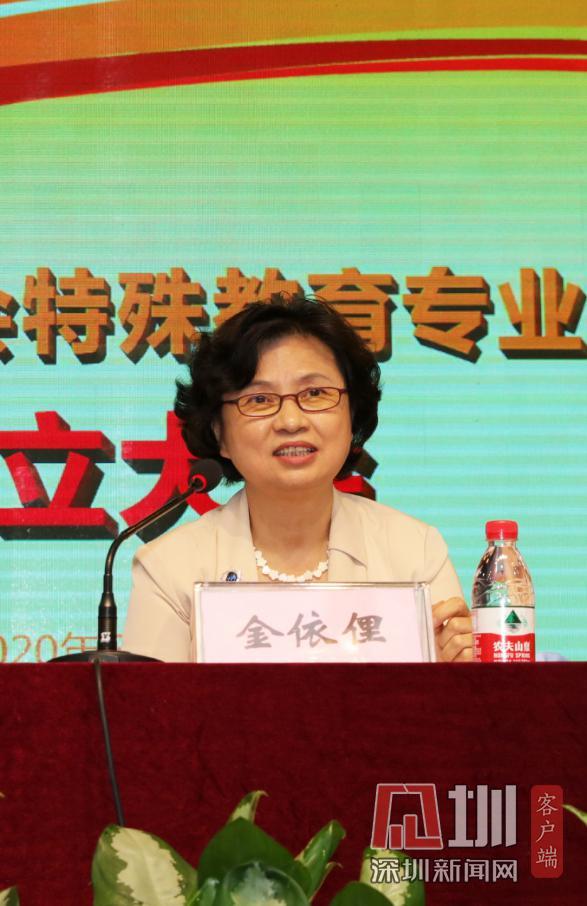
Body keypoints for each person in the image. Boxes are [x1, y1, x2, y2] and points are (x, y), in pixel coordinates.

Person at [123, 295, 472, 662]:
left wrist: (461, 671)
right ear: (219, 432)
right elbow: (150, 700)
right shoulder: (169, 568)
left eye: (315, 393)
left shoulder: (415, 552)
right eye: (259, 399)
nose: (291, 421)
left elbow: (450, 696)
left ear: (352, 415)